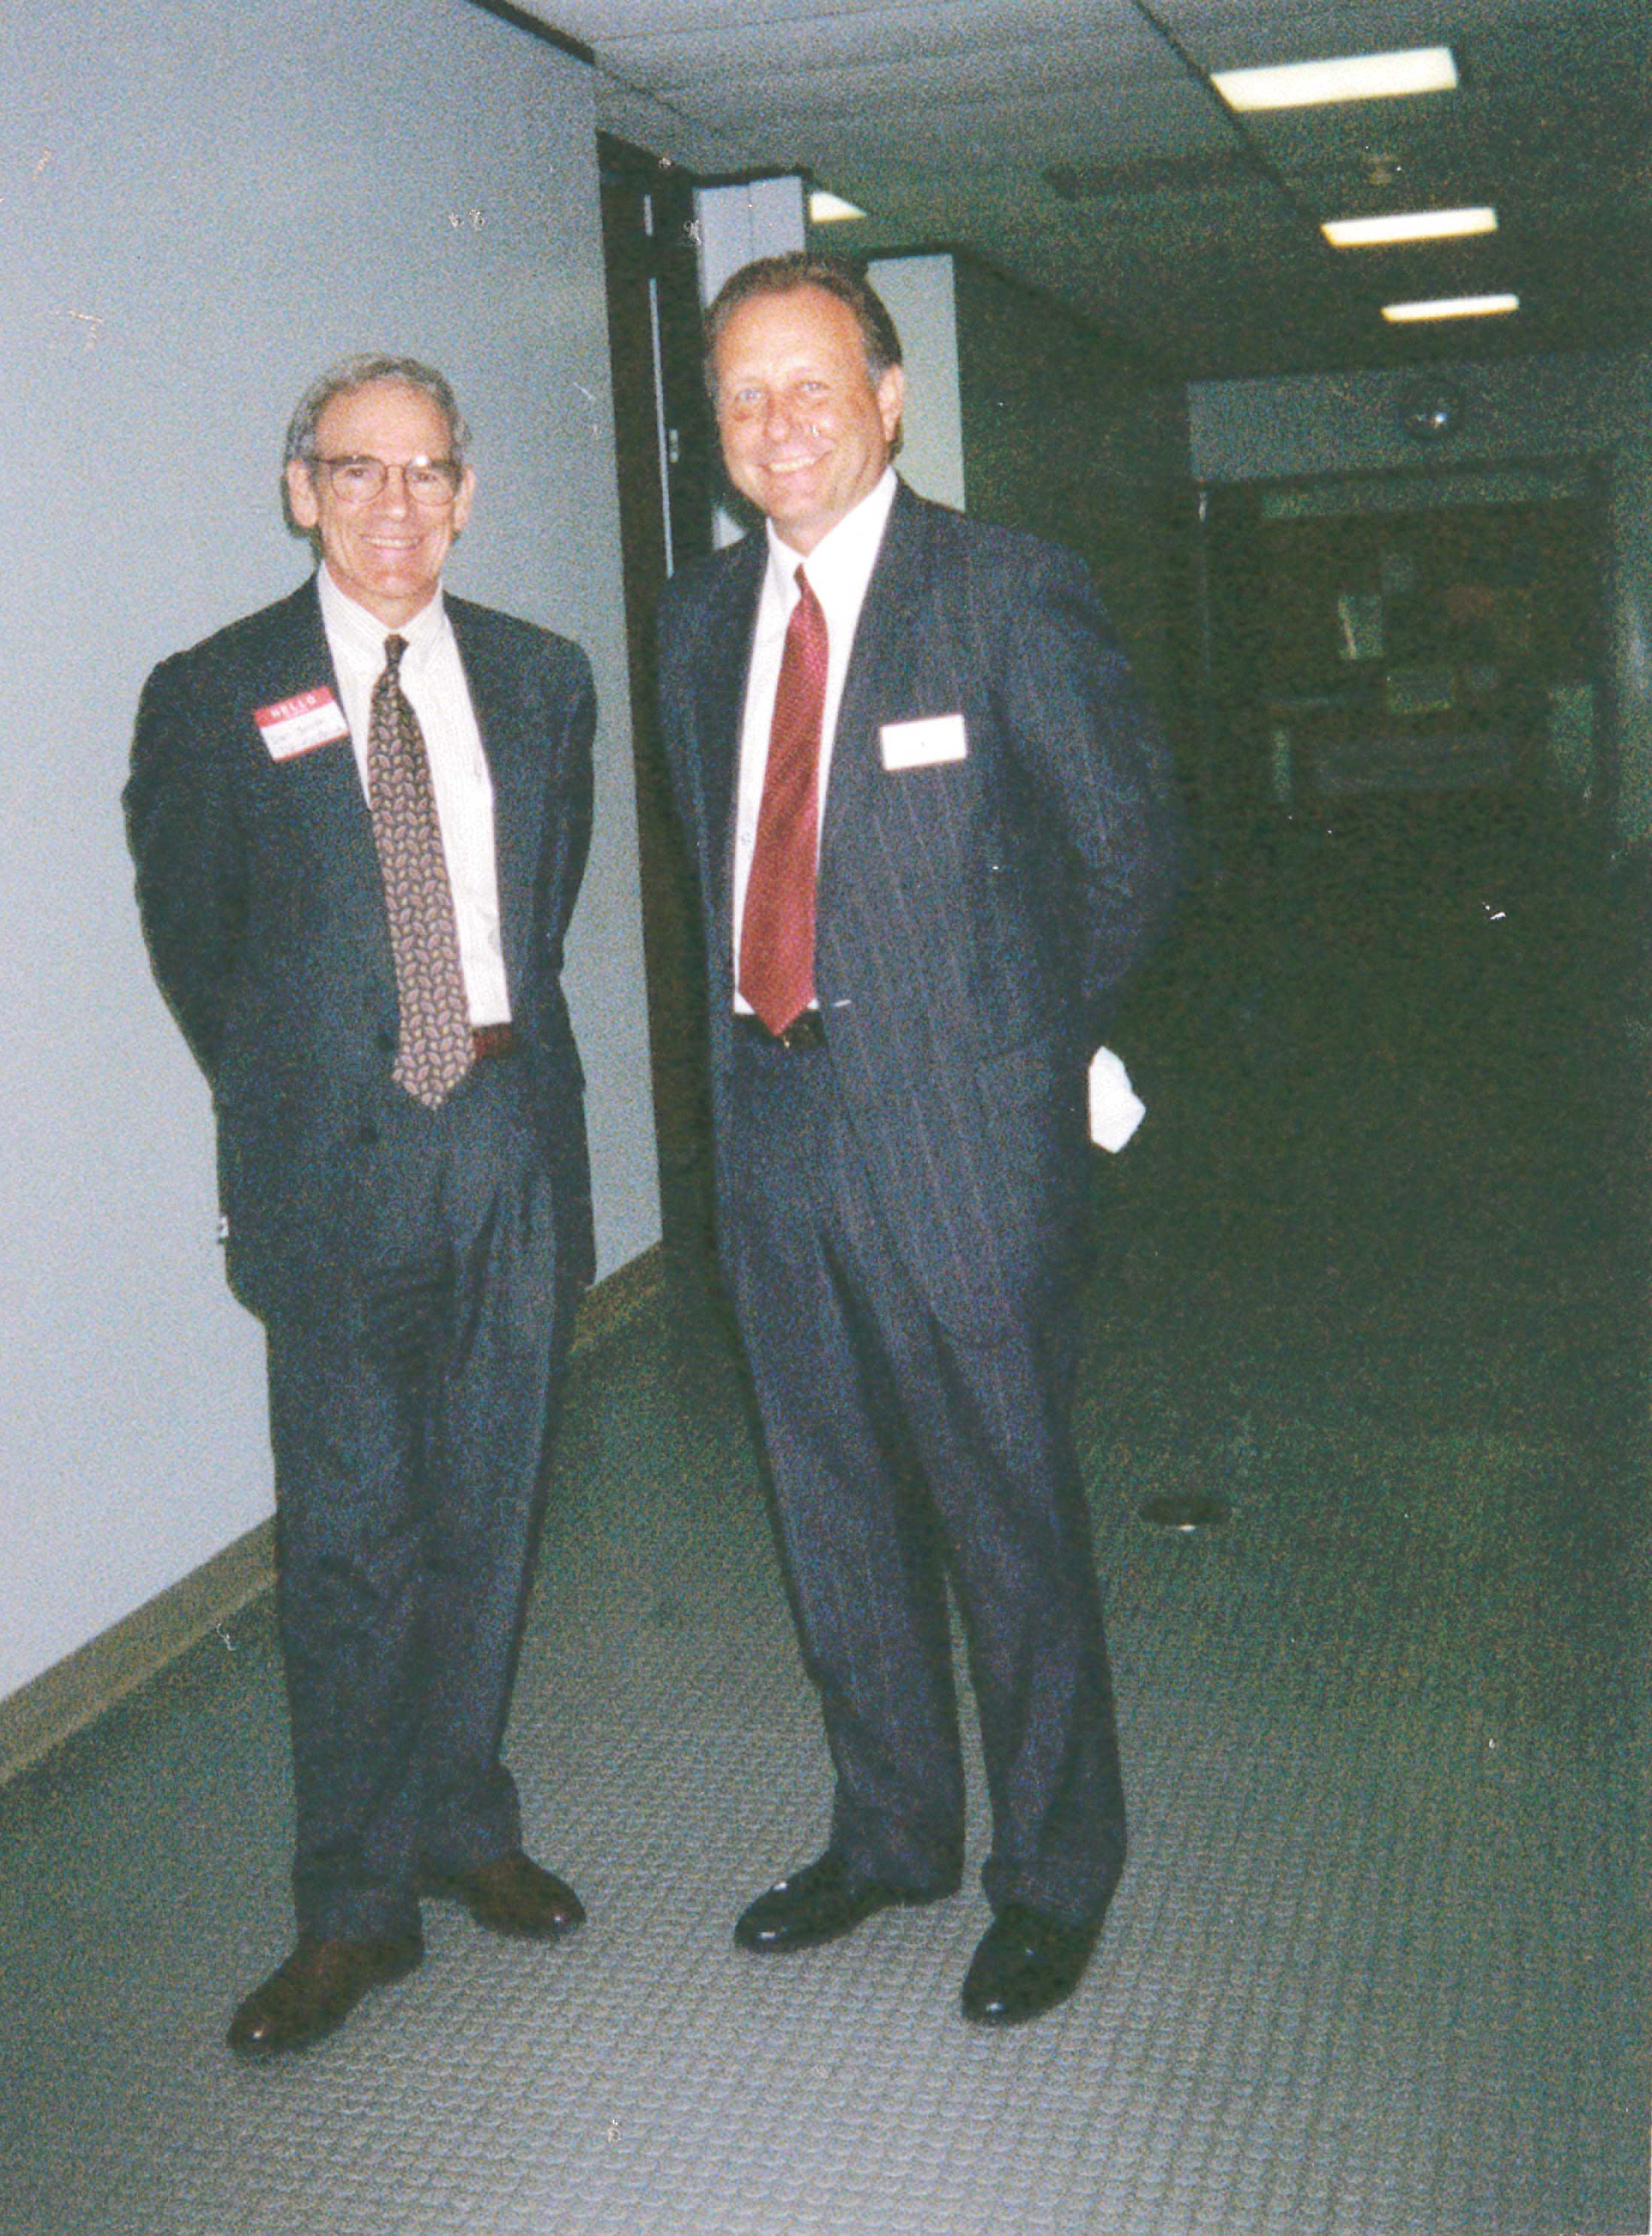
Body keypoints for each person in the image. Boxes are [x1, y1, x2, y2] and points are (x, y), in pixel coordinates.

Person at [656, 255, 1179, 2026]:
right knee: (831, 1509)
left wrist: (1014, 1061)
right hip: (774, 1129)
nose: (775, 422)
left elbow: (1127, 856)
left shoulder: (1008, 591)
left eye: (811, 384)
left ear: (890, 397)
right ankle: (890, 1833)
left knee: (1003, 1514)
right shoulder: (700, 620)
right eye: (740, 395)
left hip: (964, 1147)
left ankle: (1052, 1872)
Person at [126, 354, 595, 2054]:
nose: (396, 506)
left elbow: (527, 929)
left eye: (428, 472)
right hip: (331, 1169)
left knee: (493, 1510)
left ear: (467, 492)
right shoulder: (213, 692)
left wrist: (475, 1070)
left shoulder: (546, 681)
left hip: (508, 1148)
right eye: (358, 471)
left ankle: (466, 1826)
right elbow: (203, 953)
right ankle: (351, 1907)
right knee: (347, 1548)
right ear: (300, 487)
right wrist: (321, 1084)